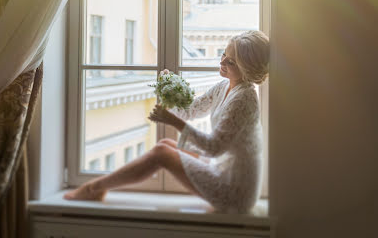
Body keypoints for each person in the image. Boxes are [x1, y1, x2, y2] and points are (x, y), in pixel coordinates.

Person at [64, 30, 269, 213]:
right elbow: (190, 111)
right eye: (224, 54)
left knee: (162, 153)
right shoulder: (224, 87)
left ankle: (93, 188)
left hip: (235, 192)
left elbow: (214, 147)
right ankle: (97, 188)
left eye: (230, 62)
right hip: (223, 170)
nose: (222, 62)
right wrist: (169, 86)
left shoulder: (244, 99)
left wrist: (172, 121)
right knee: (165, 145)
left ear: (247, 69)